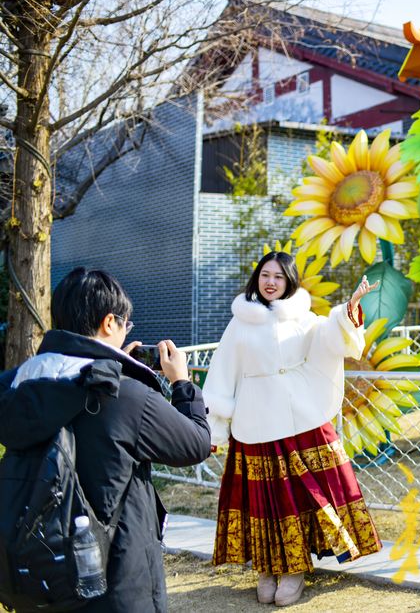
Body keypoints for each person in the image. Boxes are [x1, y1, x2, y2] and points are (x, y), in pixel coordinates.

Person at [0, 267, 212, 612]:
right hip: (115, 582)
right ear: (109, 322)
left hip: (42, 573)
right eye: (125, 324)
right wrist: (182, 384)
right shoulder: (124, 395)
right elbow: (195, 444)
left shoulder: (17, 386)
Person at [203, 251, 382, 606]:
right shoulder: (240, 322)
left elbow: (331, 340)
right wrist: (215, 428)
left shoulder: (304, 317)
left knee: (303, 495)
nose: (270, 282)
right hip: (255, 420)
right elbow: (223, 372)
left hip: (300, 419)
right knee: (264, 501)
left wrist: (350, 308)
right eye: (265, 275)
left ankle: (294, 570)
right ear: (256, 279)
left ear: (289, 281)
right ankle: (267, 567)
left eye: (278, 277)